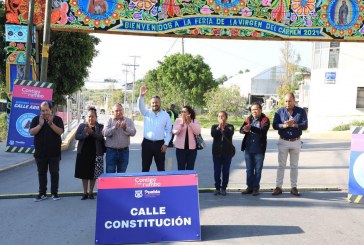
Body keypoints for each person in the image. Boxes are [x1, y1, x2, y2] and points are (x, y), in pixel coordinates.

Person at [272, 93, 308, 196]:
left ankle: (294, 187)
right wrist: (284, 125)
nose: (287, 103)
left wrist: (294, 125)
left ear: (294, 100)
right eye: (286, 101)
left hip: (295, 141)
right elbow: (274, 125)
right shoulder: (279, 111)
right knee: (281, 165)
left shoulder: (301, 111)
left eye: (289, 101)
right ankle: (278, 187)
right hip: (283, 141)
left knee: (294, 165)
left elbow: (305, 125)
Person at [29, 101, 64, 201]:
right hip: (40, 153)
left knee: (54, 173)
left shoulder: (57, 119)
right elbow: (31, 132)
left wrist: (51, 123)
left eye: (46, 110)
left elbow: (60, 131)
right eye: (42, 110)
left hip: (54, 153)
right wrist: (40, 125)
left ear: (51, 110)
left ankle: (54, 193)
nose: (45, 112)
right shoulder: (36, 119)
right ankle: (42, 193)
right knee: (41, 173)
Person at [137, 85, 172, 172]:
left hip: (160, 145)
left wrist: (166, 143)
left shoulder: (165, 115)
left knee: (161, 168)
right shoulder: (146, 113)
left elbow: (168, 131)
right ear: (150, 104)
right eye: (153, 103)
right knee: (145, 168)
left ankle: (161, 185)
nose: (154, 104)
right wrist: (141, 96)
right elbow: (140, 106)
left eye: (156, 102)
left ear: (160, 103)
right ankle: (145, 185)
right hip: (147, 144)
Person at [240, 102, 270, 196]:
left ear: (260, 110)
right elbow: (241, 130)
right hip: (248, 149)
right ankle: (249, 187)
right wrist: (245, 129)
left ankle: (256, 188)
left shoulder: (265, 119)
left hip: (259, 149)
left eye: (256, 109)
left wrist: (251, 128)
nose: (254, 111)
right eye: (252, 110)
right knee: (249, 170)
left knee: (258, 170)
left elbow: (263, 131)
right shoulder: (249, 119)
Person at [74, 108, 105, 200]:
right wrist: (85, 134)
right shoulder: (82, 126)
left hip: (96, 153)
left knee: (94, 174)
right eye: (89, 117)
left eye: (92, 117)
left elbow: (101, 138)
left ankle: (91, 192)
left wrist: (92, 133)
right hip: (83, 153)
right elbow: (77, 136)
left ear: (96, 117)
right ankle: (85, 192)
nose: (90, 118)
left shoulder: (100, 127)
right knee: (84, 174)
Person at [103, 103, 136, 173]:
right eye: (116, 111)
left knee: (122, 174)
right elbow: (104, 133)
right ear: (113, 112)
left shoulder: (129, 121)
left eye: (120, 110)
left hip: (124, 152)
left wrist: (126, 128)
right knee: (110, 173)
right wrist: (114, 128)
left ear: (123, 110)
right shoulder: (109, 120)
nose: (119, 112)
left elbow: (133, 133)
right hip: (111, 151)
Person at [211, 111, 235, 196]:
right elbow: (213, 134)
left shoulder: (230, 127)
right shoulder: (214, 127)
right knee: (217, 171)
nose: (221, 118)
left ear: (226, 117)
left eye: (223, 116)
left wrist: (223, 127)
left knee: (225, 171)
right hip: (216, 153)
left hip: (227, 152)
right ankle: (217, 188)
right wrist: (219, 127)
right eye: (219, 116)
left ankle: (224, 188)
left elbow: (229, 133)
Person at [172, 106, 201, 170]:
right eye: (181, 112)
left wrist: (190, 123)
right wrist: (181, 124)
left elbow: (197, 132)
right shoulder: (178, 120)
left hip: (192, 149)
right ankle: (181, 180)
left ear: (189, 113)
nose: (182, 113)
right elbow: (175, 132)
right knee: (180, 167)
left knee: (190, 168)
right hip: (180, 149)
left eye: (184, 112)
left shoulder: (195, 121)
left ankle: (189, 180)